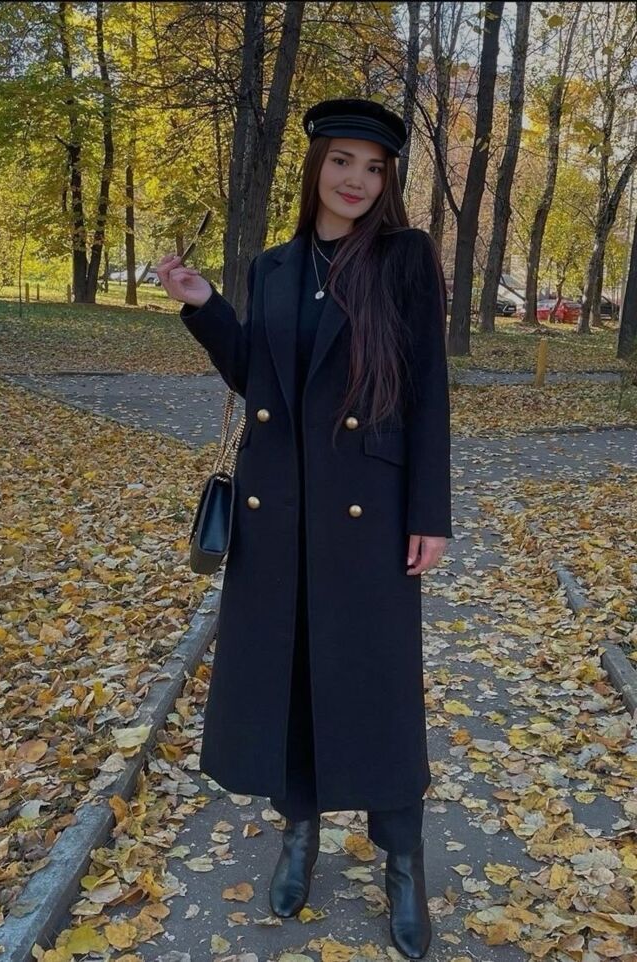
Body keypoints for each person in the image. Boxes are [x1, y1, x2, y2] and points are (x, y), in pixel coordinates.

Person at [156, 97, 451, 960]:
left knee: (379, 688)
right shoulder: (274, 266)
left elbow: (429, 391)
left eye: (374, 167)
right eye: (342, 161)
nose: (356, 180)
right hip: (277, 508)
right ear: (316, 165)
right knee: (291, 677)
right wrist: (205, 305)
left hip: (370, 514)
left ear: (387, 179)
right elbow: (260, 376)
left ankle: (403, 861)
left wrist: (429, 514)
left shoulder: (403, 259)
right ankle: (300, 833)